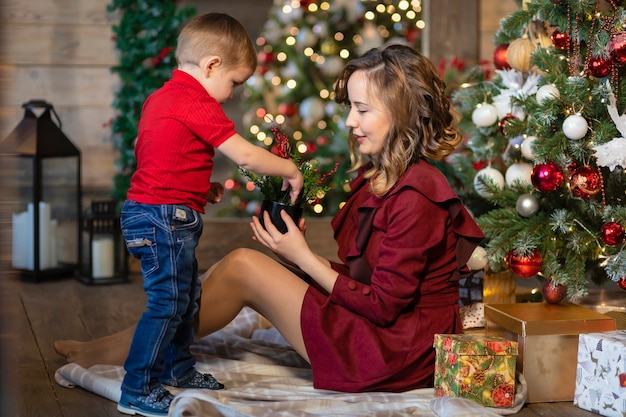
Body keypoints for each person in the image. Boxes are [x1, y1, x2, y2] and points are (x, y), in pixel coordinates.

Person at [55, 44, 483, 395]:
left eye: (362, 110)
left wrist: (303, 257)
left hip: (390, 350)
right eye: (350, 108)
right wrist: (297, 258)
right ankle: (116, 347)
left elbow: (385, 305)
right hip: (382, 329)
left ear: (403, 112)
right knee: (237, 266)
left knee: (243, 265)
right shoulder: (385, 179)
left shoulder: (418, 194)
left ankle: (118, 350)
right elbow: (371, 284)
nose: (350, 121)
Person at [115, 12, 304, 417]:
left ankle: (178, 368)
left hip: (155, 211)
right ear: (212, 65)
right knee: (167, 302)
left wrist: (199, 188)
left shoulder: (162, 97)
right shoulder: (194, 99)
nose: (233, 94)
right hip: (162, 218)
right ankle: (136, 387)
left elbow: (158, 154)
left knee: (187, 297)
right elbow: (244, 154)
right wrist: (290, 168)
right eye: (234, 82)